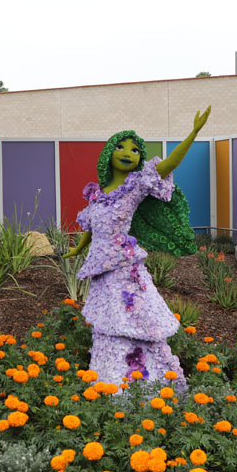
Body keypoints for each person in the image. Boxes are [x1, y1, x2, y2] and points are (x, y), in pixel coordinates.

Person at [65, 107, 210, 389]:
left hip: (124, 268)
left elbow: (167, 165)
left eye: (134, 149)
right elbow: (91, 230)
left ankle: (141, 378)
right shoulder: (96, 196)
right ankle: (108, 374)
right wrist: (76, 250)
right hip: (101, 271)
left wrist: (193, 134)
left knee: (132, 318)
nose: (127, 152)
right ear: (109, 153)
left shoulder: (135, 187)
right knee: (108, 322)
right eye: (121, 146)